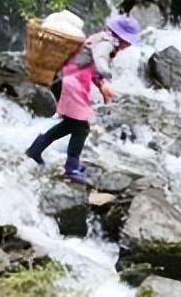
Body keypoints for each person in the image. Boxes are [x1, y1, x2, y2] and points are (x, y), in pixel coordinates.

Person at [25, 15, 141, 185]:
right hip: (70, 83)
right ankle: (71, 168)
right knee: (81, 127)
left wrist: (101, 85)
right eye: (128, 41)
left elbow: (90, 67)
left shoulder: (102, 39)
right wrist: (107, 75)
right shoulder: (106, 43)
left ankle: (36, 149)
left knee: (71, 124)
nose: (128, 45)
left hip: (68, 81)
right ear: (120, 37)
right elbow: (99, 60)